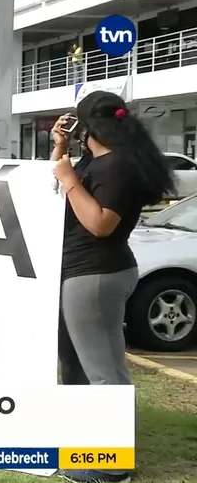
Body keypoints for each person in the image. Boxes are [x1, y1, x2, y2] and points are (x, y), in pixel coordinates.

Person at [51, 91, 174, 483]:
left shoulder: (118, 167)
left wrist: (69, 178)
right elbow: (64, 192)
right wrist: (60, 150)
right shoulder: (100, 161)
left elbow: (100, 223)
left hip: (96, 275)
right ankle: (86, 446)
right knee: (77, 365)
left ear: (90, 127)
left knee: (104, 372)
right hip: (81, 272)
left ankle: (112, 465)